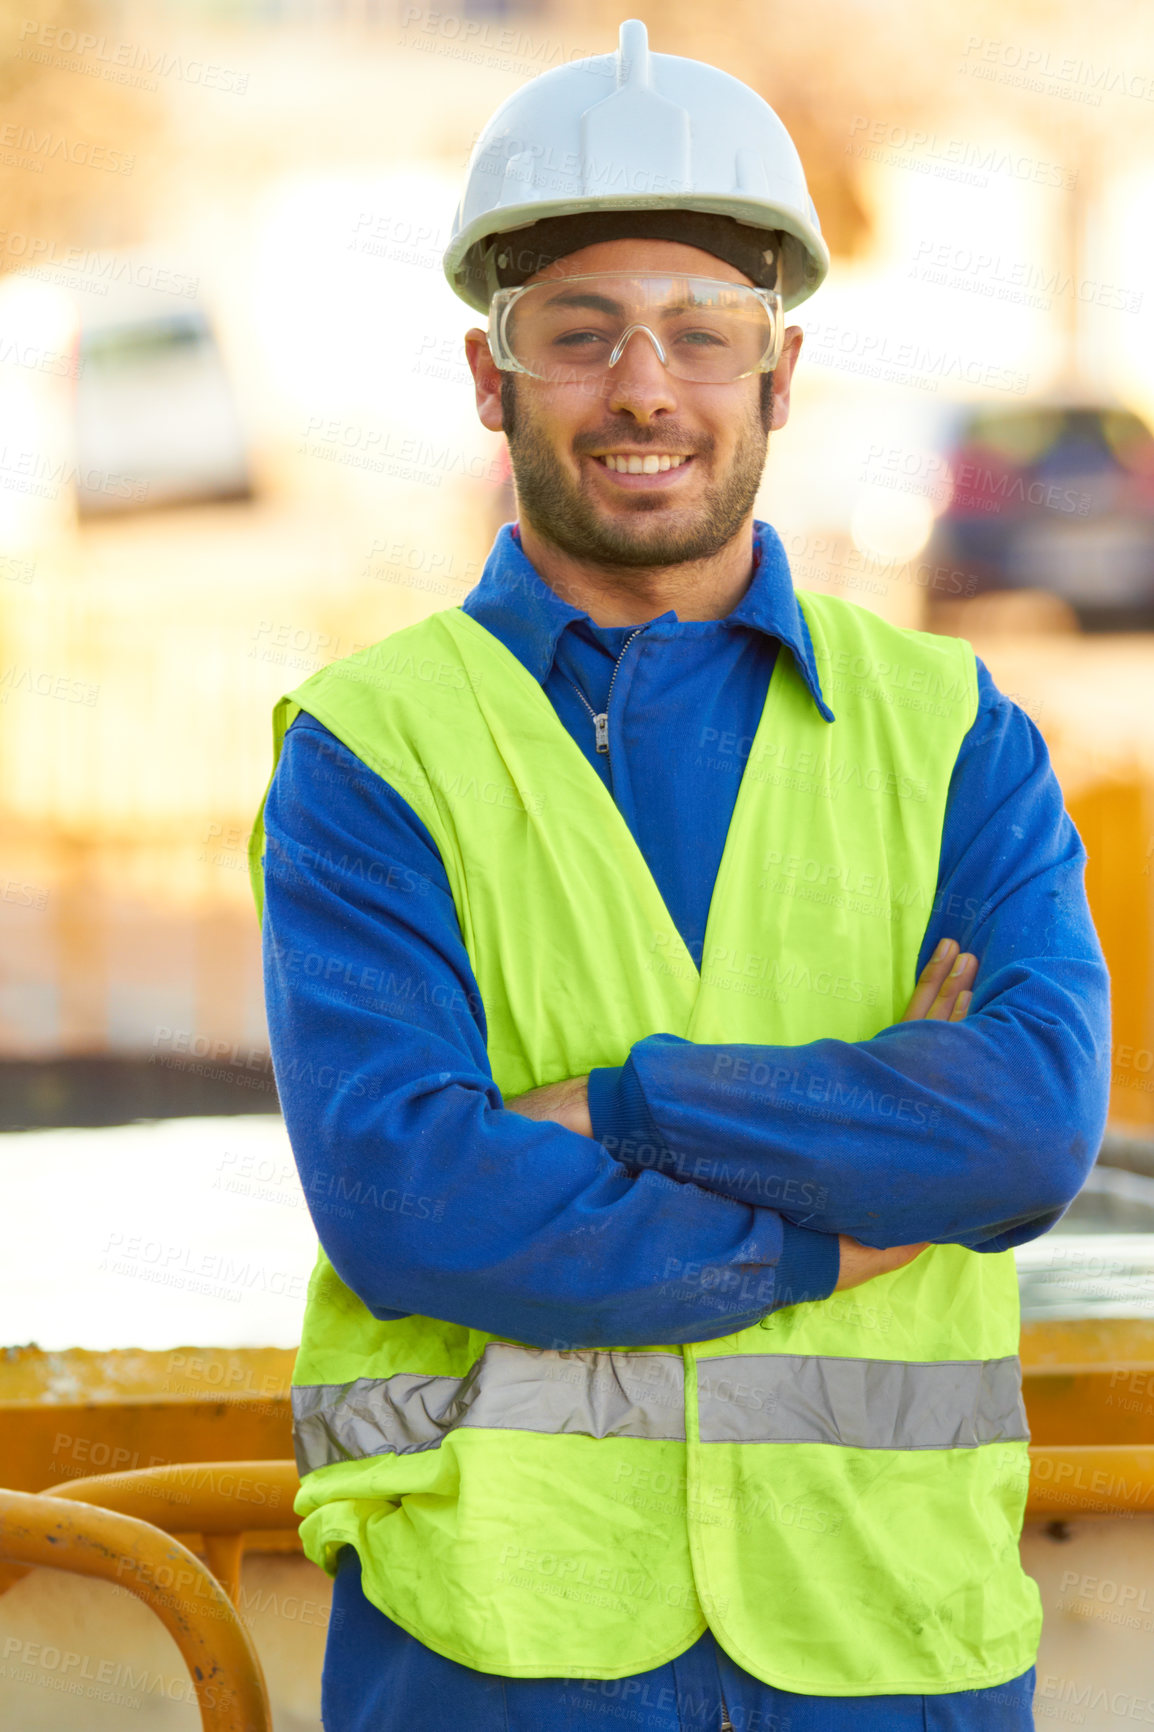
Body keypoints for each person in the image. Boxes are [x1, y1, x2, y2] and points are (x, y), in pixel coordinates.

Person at [249, 20, 1110, 1731]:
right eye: (580, 337)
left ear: (775, 375)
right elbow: (411, 1196)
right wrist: (829, 1236)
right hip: (499, 1649)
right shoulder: (373, 745)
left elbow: (1018, 1127)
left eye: (700, 335)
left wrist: (615, 1105)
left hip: (884, 1649)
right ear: (490, 380)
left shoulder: (944, 728)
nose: (645, 388)